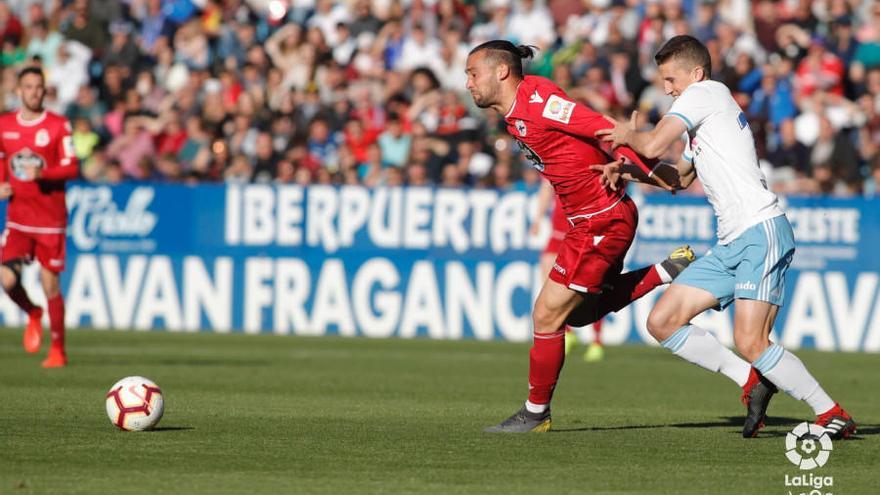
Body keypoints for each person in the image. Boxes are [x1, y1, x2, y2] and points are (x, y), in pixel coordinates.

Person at [596, 35, 856, 439]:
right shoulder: (706, 116)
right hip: (731, 242)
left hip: (760, 230)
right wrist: (628, 172)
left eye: (670, 78)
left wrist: (627, 138)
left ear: (696, 73)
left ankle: (831, 412)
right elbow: (678, 178)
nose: (667, 89)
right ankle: (750, 381)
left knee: (752, 340)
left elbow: (649, 143)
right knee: (663, 322)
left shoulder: (704, 94)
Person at [466, 40, 695, 433]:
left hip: (599, 221)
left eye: (473, 73)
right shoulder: (514, 115)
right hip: (590, 222)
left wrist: (657, 172)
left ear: (501, 71)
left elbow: (602, 128)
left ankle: (536, 412)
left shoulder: (537, 99)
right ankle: (662, 272)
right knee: (581, 313)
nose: (468, 83)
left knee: (546, 314)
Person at [0, 66, 78, 368]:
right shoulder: (5, 125)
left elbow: (72, 167)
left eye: (39, 87)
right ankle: (33, 312)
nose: (34, 92)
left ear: (45, 91)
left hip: (50, 219)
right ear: (18, 91)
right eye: (29, 87)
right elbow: (3, 157)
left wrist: (43, 173)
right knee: (6, 280)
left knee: (50, 286)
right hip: (18, 217)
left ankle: (58, 349)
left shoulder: (59, 125)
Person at [531, 179, 604, 362]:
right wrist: (538, 218)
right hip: (557, 232)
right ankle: (568, 332)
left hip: (581, 233)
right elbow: (546, 189)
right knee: (548, 277)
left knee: (589, 288)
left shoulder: (589, 163)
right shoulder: (558, 163)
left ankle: (596, 342)